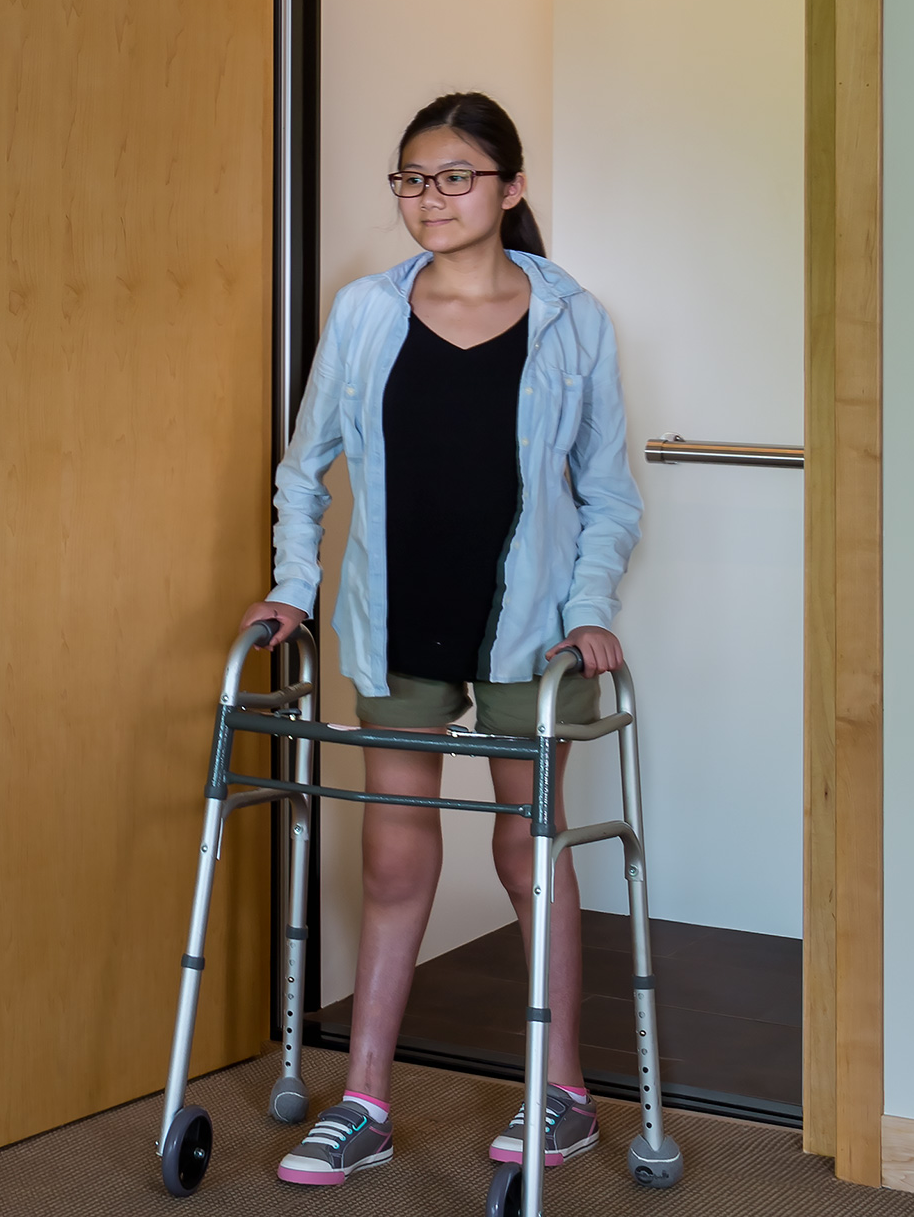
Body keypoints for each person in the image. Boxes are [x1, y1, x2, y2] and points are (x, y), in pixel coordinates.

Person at [242, 92, 642, 1186]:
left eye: (456, 176)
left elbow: (608, 494)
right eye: (413, 179)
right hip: (397, 617)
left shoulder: (573, 317)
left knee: (528, 848)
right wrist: (293, 591)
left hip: (528, 632)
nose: (431, 197)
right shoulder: (366, 311)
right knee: (392, 853)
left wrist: (590, 607)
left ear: (509, 189)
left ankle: (561, 1093)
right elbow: (302, 467)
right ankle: (364, 1098)